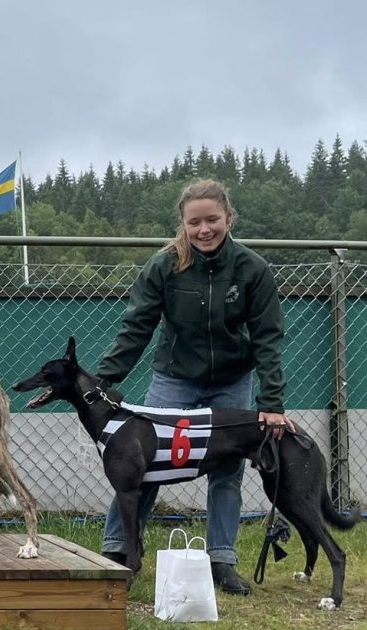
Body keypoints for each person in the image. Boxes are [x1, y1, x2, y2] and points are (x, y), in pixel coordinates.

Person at [94, 178, 294, 595]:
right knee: (142, 466)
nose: (204, 230)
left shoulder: (252, 270)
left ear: (229, 217)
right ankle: (115, 551)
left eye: (213, 220)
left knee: (227, 471)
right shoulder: (164, 267)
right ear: (183, 224)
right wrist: (104, 380)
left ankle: (221, 559)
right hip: (174, 381)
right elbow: (136, 329)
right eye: (194, 222)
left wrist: (271, 401)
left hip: (230, 385)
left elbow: (268, 339)